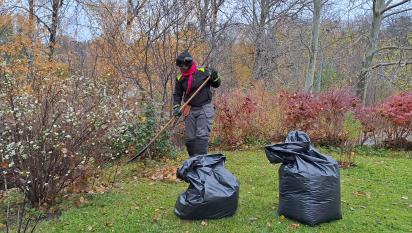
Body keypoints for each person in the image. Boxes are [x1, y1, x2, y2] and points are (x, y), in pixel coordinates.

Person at [173, 50, 221, 157]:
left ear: (188, 64)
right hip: (189, 108)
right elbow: (177, 94)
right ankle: (193, 161)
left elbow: (217, 84)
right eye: (179, 67)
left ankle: (201, 163)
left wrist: (215, 75)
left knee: (201, 136)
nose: (181, 69)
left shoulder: (204, 72)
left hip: (204, 107)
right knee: (190, 138)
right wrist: (176, 107)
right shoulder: (180, 78)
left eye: (182, 66)